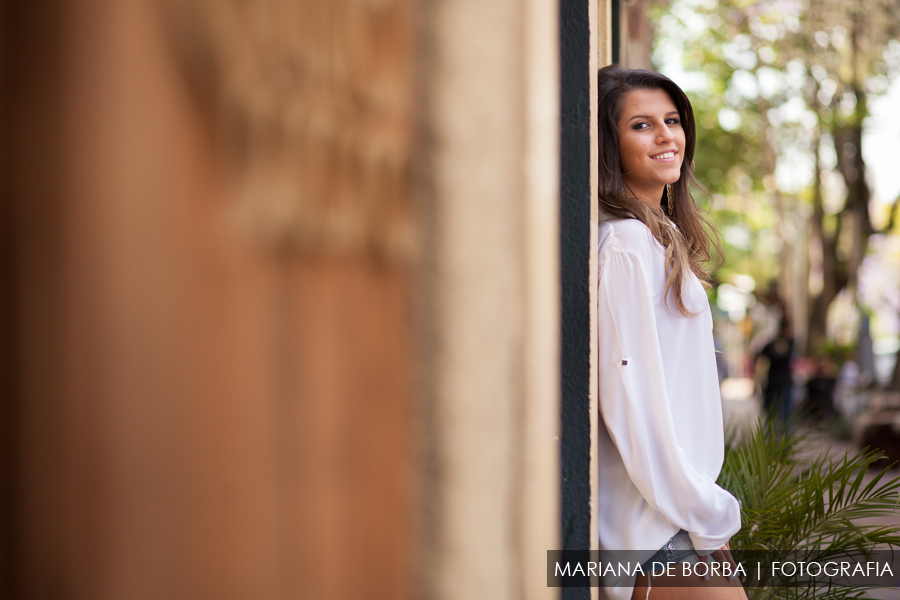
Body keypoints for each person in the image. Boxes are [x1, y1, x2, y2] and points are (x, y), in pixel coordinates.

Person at [595, 65, 744, 600]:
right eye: (641, 125)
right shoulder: (627, 247)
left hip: (673, 517)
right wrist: (706, 519)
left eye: (673, 120)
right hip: (659, 525)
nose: (665, 136)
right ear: (609, 144)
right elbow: (632, 403)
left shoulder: (658, 239)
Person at [755, 319, 794, 423]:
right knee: (779, 411)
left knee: (776, 410)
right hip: (778, 381)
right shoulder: (791, 344)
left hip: (777, 381)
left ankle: (777, 432)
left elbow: (759, 357)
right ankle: (781, 432)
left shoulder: (773, 344)